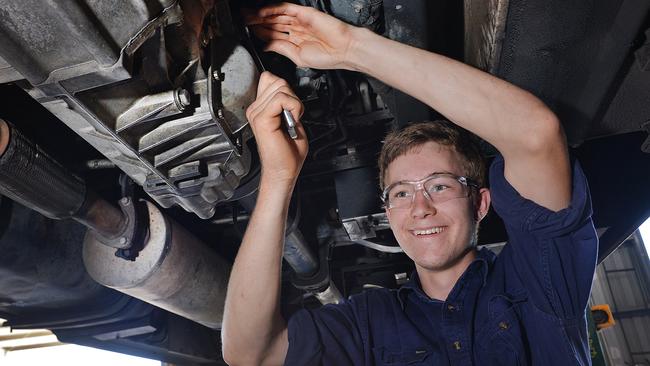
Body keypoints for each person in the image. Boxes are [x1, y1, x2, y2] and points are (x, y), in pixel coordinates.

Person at [221, 3, 598, 365]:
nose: (420, 208)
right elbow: (251, 354)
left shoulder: (536, 280)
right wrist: (278, 176)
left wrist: (354, 48)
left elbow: (534, 134)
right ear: (387, 212)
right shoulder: (369, 323)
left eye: (440, 186)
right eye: (402, 192)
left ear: (481, 203)